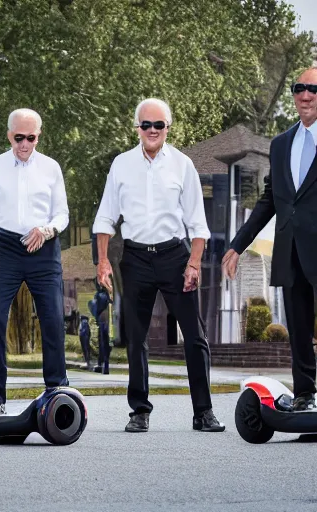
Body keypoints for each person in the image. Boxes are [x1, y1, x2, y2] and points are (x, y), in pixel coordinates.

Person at [92, 98, 225, 433]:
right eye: (146, 125)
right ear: (137, 128)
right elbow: (106, 218)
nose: (152, 131)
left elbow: (198, 224)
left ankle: (204, 412)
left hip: (174, 257)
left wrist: (194, 264)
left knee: (194, 336)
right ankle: (139, 411)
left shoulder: (182, 165)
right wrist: (104, 261)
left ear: (168, 127)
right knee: (136, 337)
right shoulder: (121, 165)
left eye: (159, 125)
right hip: (135, 258)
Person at [0, 108, 69, 414]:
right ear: (9, 135)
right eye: (19, 137)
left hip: (43, 248)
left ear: (39, 135)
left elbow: (62, 213)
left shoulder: (51, 168)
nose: (24, 144)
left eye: (31, 138)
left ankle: (56, 392)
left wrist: (48, 230)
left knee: (53, 320)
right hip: (5, 247)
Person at [222, 67, 317, 411]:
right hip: (290, 252)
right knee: (300, 328)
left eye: (313, 89)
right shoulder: (280, 145)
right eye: (298, 88)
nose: (305, 95)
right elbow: (268, 201)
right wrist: (237, 245)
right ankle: (305, 394)